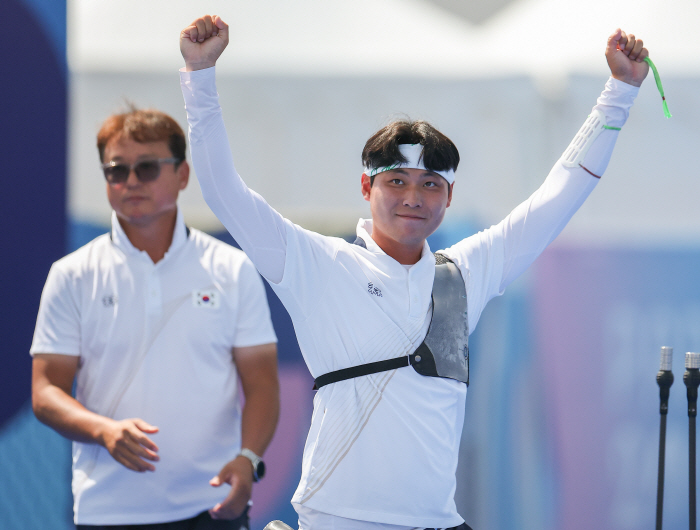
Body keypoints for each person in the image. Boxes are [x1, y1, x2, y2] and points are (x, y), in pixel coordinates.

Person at [178, 14, 650, 530]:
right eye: (396, 180)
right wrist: (199, 75)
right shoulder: (317, 264)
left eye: (430, 184)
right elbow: (223, 190)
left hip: (435, 523)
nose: (412, 197)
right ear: (366, 188)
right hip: (335, 521)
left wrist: (619, 92)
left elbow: (561, 194)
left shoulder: (464, 274)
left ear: (449, 197)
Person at [30, 107, 280, 529]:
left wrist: (249, 459)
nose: (130, 181)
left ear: (183, 175)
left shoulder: (232, 268)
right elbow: (45, 391)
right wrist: (102, 430)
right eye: (116, 170)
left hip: (214, 508)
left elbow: (262, 385)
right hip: (108, 511)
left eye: (147, 168)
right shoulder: (72, 275)